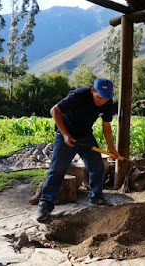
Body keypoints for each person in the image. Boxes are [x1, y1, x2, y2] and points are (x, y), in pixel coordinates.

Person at [37, 78, 119, 222]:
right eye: (100, 97)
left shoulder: (107, 103)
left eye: (106, 98)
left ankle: (96, 197)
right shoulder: (78, 95)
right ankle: (45, 203)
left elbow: (106, 126)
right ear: (93, 91)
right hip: (66, 133)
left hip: (85, 135)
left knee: (97, 164)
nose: (103, 101)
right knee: (57, 169)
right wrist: (65, 135)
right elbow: (54, 110)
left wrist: (112, 148)